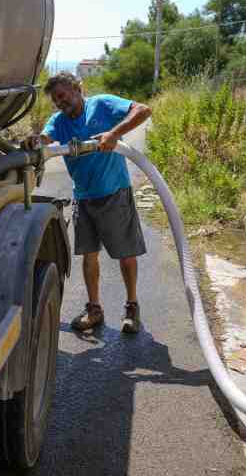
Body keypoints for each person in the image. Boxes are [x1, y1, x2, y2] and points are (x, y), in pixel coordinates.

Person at [25, 72, 152, 333]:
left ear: (77, 89)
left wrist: (115, 134)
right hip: (83, 197)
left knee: (125, 254)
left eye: (63, 95)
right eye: (56, 100)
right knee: (89, 255)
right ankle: (94, 309)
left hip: (114, 193)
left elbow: (143, 110)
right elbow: (46, 139)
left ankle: (132, 307)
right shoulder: (59, 121)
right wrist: (35, 141)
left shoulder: (102, 104)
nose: (60, 102)